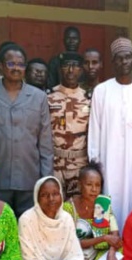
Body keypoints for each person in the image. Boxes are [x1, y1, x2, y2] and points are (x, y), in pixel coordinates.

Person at [0, 43, 53, 217]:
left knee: (26, 233)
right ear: (1, 66)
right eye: (11, 63)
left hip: (29, 181)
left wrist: (46, 180)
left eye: (21, 64)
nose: (16, 68)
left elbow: (45, 145)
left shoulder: (39, 97)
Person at [88, 37, 132, 231]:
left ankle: (130, 250)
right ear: (113, 62)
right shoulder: (101, 91)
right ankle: (104, 250)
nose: (123, 62)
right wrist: (96, 163)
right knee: (105, 204)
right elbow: (95, 128)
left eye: (127, 57)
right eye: (119, 58)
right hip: (107, 164)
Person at [63, 162, 125, 260]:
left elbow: (114, 233)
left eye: (97, 185)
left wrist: (111, 254)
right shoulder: (69, 208)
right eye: (89, 184)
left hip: (100, 254)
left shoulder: (101, 204)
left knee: (124, 254)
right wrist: (103, 238)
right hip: (78, 258)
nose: (94, 189)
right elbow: (72, 243)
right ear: (80, 185)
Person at [48, 52, 90, 195]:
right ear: (60, 69)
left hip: (79, 166)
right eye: (66, 66)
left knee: (76, 210)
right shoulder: (48, 97)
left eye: (75, 66)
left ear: (81, 70)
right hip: (54, 166)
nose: (71, 70)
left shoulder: (89, 99)